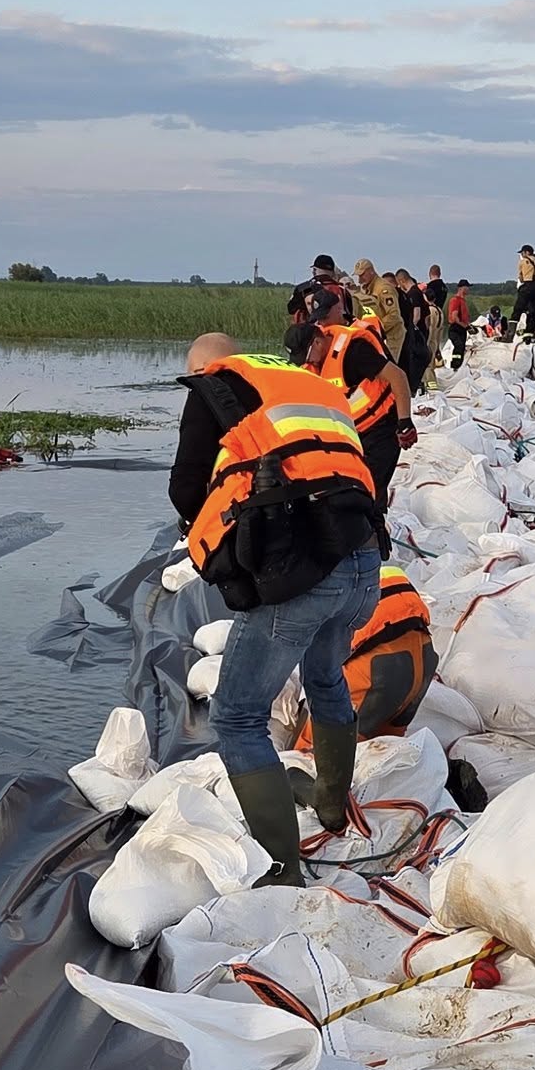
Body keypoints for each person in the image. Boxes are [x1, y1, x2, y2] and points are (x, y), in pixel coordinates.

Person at [169, 333, 385, 882]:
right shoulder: (307, 383)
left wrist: (221, 549)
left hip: (302, 575)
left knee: (237, 716)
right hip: (364, 563)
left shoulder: (214, 386)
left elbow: (185, 488)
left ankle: (283, 869)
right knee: (325, 675)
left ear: (205, 366)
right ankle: (331, 806)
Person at [292, 562, 435, 752]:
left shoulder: (308, 587)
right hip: (424, 657)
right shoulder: (371, 571)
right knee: (387, 751)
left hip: (378, 667)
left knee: (320, 751)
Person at [301, 294, 412, 496]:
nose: (323, 322)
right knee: (357, 487)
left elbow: (398, 376)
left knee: (369, 489)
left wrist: (404, 423)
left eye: (325, 316)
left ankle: (376, 526)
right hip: (356, 432)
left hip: (383, 424)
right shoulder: (319, 350)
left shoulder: (354, 348)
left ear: (339, 308)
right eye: (319, 318)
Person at [285, 253, 354, 356]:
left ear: (314, 270)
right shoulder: (344, 291)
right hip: (340, 339)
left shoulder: (305, 288)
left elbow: (291, 309)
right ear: (332, 271)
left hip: (312, 340)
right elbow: (350, 315)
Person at [355, 258, 407, 366]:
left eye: (362, 275)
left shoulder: (384, 288)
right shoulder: (369, 288)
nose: (359, 279)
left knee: (388, 367)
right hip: (381, 334)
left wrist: (377, 330)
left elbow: (394, 315)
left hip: (392, 335)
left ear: (371, 271)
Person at [392, 269, 433, 389]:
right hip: (421, 334)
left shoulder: (413, 294)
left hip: (416, 336)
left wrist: (411, 328)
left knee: (413, 362)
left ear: (401, 280)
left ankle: (414, 387)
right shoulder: (419, 293)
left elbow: (417, 314)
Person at [445, 283, 472, 362]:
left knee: (461, 347)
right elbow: (455, 317)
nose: (468, 289)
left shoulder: (463, 301)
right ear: (461, 288)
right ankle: (455, 365)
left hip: (462, 329)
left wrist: (468, 325)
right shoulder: (455, 300)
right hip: (456, 328)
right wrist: (465, 326)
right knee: (458, 346)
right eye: (467, 287)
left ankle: (459, 364)